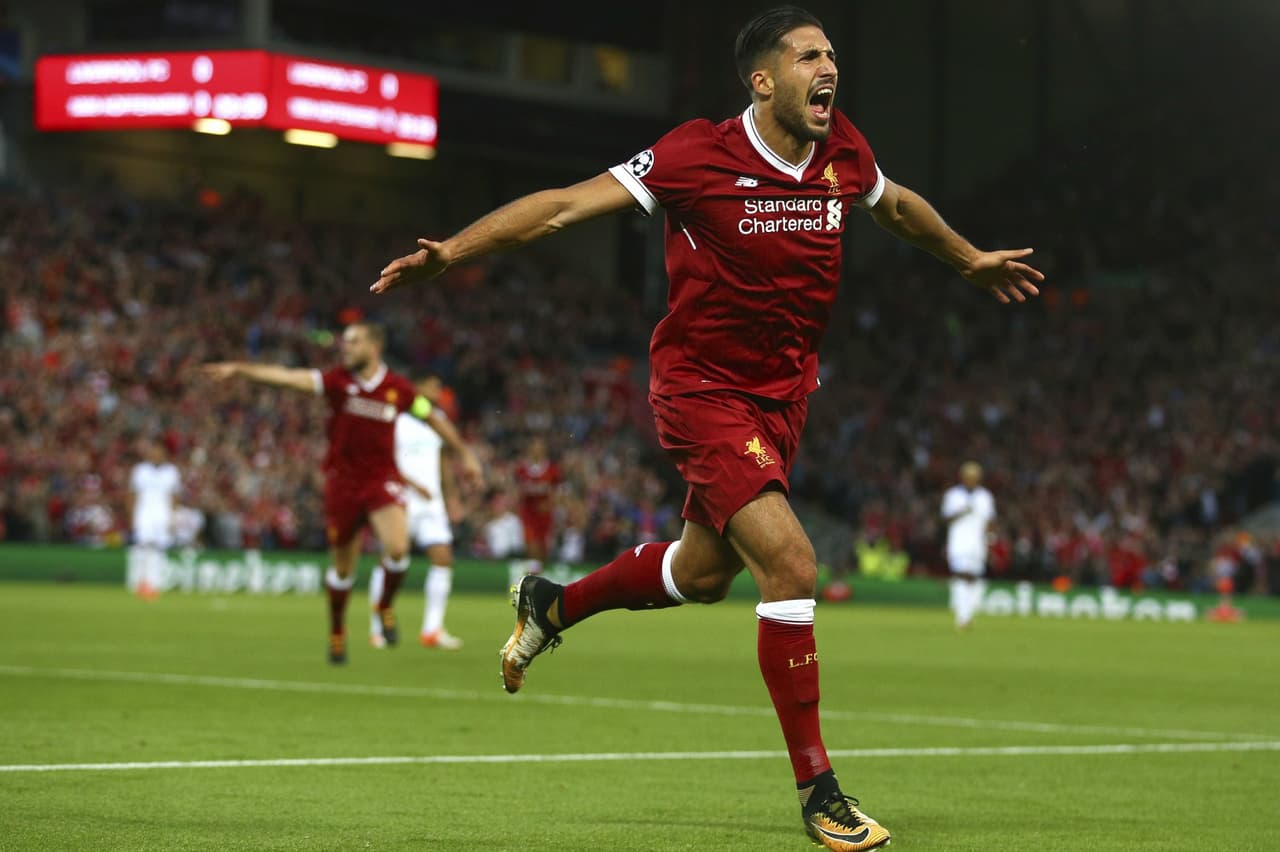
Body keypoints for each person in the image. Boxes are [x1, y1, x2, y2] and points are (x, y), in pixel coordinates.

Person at [370, 7, 1041, 849]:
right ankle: (820, 792)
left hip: (785, 396)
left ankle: (552, 604)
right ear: (763, 81)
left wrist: (969, 258)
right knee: (793, 566)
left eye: (830, 54)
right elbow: (562, 208)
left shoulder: (843, 151)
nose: (827, 67)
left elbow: (895, 206)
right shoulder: (698, 153)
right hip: (701, 391)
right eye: (807, 56)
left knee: (705, 571)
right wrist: (454, 252)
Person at [202, 323, 478, 664]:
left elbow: (433, 418)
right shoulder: (337, 382)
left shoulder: (399, 390)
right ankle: (337, 632)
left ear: (374, 346)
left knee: (397, 548)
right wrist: (241, 370)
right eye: (344, 341)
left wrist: (464, 453)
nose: (345, 348)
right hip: (343, 486)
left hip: (381, 482)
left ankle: (384, 606)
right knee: (343, 571)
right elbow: (289, 378)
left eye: (353, 342)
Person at [369, 373, 476, 650]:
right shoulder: (395, 418)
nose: (438, 391)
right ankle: (377, 628)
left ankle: (432, 629)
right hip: (401, 499)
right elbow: (384, 460)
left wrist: (451, 496)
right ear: (417, 387)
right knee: (391, 559)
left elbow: (443, 461)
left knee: (443, 558)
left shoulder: (438, 420)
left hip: (432, 503)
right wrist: (414, 485)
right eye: (433, 385)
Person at [940, 461, 996, 630]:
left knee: (973, 578)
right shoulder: (953, 495)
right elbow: (946, 519)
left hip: (978, 543)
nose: (971, 480)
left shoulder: (985, 496)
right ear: (963, 478)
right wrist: (962, 511)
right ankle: (962, 617)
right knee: (961, 575)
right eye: (968, 477)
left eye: (974, 477)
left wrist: (990, 538)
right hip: (959, 543)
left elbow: (990, 520)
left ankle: (968, 614)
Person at [126, 439, 181, 600]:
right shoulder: (140, 470)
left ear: (164, 453)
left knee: (158, 549)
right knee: (142, 547)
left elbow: (174, 496)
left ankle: (154, 584)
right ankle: (138, 582)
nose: (156, 454)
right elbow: (132, 494)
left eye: (159, 451)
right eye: (153, 451)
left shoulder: (171, 471)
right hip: (143, 513)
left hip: (162, 514)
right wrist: (131, 516)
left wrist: (173, 517)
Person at [513, 435, 562, 576]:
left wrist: (551, 504)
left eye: (539, 447)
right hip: (528, 514)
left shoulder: (552, 470)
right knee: (531, 545)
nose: (536, 450)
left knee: (542, 548)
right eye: (534, 447)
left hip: (545, 515)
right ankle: (532, 578)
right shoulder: (522, 469)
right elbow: (516, 490)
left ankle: (538, 576)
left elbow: (558, 492)